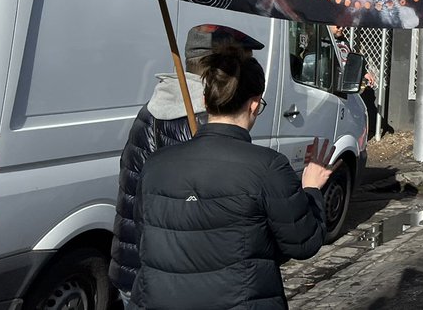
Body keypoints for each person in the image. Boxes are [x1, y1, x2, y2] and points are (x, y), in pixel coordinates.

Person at [130, 49, 332, 309]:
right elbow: (302, 242)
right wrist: (312, 189)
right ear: (255, 105)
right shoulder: (268, 167)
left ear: (205, 100)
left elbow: (145, 238)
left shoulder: (155, 164)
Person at [109, 24, 263, 303]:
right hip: (173, 281)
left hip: (136, 268)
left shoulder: (153, 109)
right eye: (243, 64)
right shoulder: (206, 123)